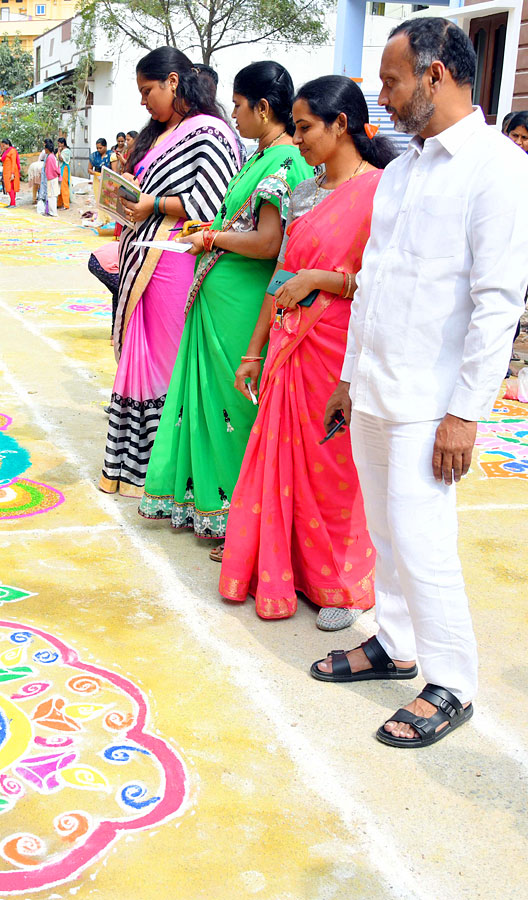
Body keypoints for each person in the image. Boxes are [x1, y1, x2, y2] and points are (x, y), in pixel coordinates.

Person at [313, 19, 528, 748]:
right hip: (375, 383)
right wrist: (348, 376)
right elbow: (374, 281)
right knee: (384, 531)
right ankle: (395, 644)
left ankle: (452, 682)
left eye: (393, 79)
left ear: (434, 76)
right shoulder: (404, 168)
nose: (383, 94)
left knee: (423, 539)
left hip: (431, 399)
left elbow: (498, 302)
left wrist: (466, 413)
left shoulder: (498, 168)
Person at [218, 75, 396, 632]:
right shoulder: (303, 191)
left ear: (341, 124)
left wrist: (326, 279)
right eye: (293, 128)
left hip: (339, 345)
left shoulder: (382, 192)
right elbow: (281, 273)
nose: (296, 140)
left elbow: (386, 283)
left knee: (332, 464)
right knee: (281, 457)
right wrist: (253, 351)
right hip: (288, 342)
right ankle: (287, 565)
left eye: (304, 128)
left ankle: (339, 582)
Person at [141, 62, 313, 557]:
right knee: (213, 406)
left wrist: (213, 237)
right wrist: (211, 236)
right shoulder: (259, 155)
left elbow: (269, 242)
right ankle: (213, 509)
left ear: (262, 108)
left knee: (237, 410)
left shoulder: (285, 162)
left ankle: (242, 516)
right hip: (220, 299)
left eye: (238, 106)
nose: (233, 115)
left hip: (243, 308)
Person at [99, 46, 241, 497]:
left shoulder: (210, 133)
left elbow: (218, 199)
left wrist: (153, 205)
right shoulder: (157, 133)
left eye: (147, 91)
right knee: (138, 362)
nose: (143, 102)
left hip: (174, 258)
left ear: (173, 83)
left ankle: (173, 471)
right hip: (141, 254)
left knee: (165, 363)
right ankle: (134, 469)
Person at [41, 139, 61, 216]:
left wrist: (57, 174)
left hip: (52, 178)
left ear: (47, 149)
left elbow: (54, 168)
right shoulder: (51, 156)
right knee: (51, 195)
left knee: (52, 196)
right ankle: (51, 211)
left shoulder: (50, 157)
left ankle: (53, 212)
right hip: (51, 178)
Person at [0, 138, 21, 208]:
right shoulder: (6, 151)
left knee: (11, 187)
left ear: (7, 144)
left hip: (11, 171)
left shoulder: (12, 151)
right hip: (6, 171)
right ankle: (12, 202)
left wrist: (12, 173)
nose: (2, 147)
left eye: (3, 145)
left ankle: (13, 203)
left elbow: (13, 162)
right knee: (9, 187)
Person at [57, 137, 72, 209]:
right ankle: (59, 203)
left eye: (59, 144)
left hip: (64, 168)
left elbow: (61, 159)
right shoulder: (63, 150)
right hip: (60, 169)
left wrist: (59, 152)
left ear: (63, 143)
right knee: (59, 186)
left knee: (64, 186)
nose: (58, 145)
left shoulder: (66, 151)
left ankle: (66, 204)